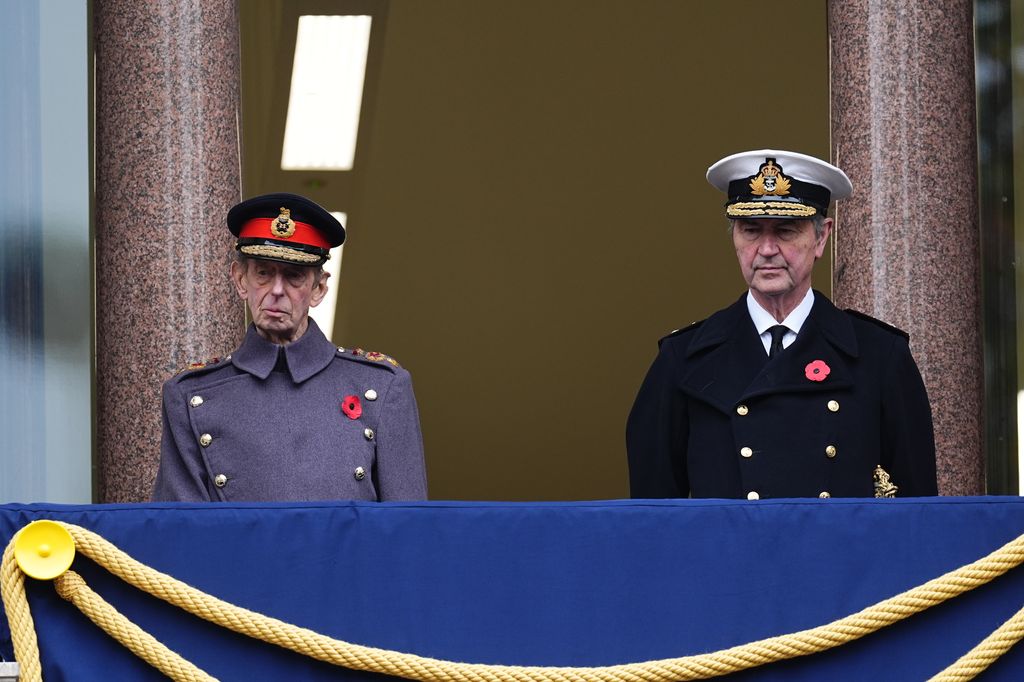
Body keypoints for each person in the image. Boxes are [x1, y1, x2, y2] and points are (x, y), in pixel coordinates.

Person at [626, 149, 937, 500]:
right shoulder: (682, 361)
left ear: (821, 238)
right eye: (751, 230)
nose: (767, 249)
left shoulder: (880, 357)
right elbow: (653, 519)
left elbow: (918, 512)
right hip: (730, 556)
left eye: (786, 231)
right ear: (734, 238)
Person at [152, 193, 427, 502]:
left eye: (294, 276)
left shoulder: (382, 387)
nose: (277, 291)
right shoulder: (189, 395)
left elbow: (408, 529)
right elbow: (181, 536)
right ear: (240, 279)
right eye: (263, 273)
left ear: (318, 289)